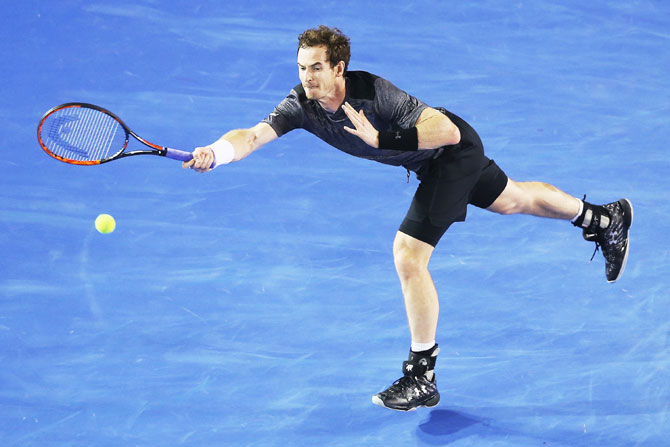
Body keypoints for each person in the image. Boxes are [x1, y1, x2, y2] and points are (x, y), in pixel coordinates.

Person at [183, 25, 633, 412]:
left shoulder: (375, 94)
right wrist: (217, 154)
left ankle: (422, 376)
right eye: (301, 68)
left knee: (408, 255)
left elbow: (449, 130)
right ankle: (601, 218)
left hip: (451, 155)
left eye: (316, 68)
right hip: (430, 163)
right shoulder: (301, 103)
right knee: (514, 200)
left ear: (338, 68)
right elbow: (253, 135)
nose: (307, 77)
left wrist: (383, 137)